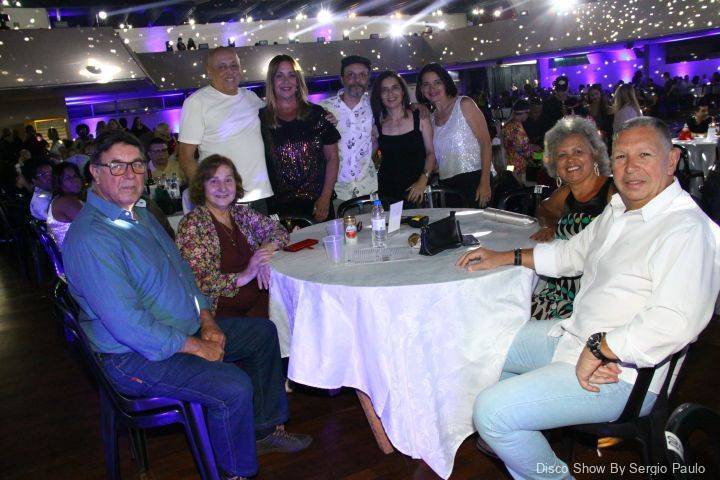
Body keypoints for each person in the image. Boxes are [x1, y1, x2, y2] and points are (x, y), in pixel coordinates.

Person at [457, 116, 720, 480]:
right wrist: (503, 257)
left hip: (624, 375)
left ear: (672, 160)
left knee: (491, 412)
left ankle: (517, 438)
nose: (630, 167)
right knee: (482, 347)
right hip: (575, 338)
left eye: (644, 154)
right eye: (622, 156)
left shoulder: (687, 229)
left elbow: (675, 322)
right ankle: (519, 436)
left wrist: (604, 349)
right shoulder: (620, 210)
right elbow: (570, 254)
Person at [63, 131, 311, 480]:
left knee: (263, 334)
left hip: (179, 329)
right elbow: (129, 326)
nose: (130, 175)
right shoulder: (92, 237)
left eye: (136, 165)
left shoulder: (140, 215)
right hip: (132, 356)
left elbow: (183, 274)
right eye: (117, 166)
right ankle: (235, 473)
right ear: (95, 172)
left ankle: (264, 431)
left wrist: (207, 319)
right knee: (233, 385)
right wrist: (197, 346)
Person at [177, 155, 289, 318]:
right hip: (224, 314)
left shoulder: (241, 213)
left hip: (262, 300)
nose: (223, 188)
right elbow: (198, 281)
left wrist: (264, 252)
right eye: (214, 181)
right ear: (201, 186)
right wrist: (245, 275)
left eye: (228, 180)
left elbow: (279, 230)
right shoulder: (192, 224)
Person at [529, 116, 615, 320]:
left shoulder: (612, 192)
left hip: (591, 298)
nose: (570, 160)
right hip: (559, 290)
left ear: (594, 154)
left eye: (578, 152)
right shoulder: (564, 194)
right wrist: (549, 225)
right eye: (562, 155)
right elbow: (544, 209)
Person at [179, 47, 273, 212]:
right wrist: (206, 197)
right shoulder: (197, 102)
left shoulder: (251, 98)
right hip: (223, 201)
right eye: (222, 67)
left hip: (259, 197)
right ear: (209, 72)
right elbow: (186, 157)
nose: (229, 71)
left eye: (233, 65)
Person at [259, 55, 340, 221]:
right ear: (272, 81)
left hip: (318, 205)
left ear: (298, 80)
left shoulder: (317, 114)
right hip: (279, 209)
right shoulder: (261, 119)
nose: (286, 81)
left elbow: (332, 157)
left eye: (291, 75)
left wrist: (325, 197)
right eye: (279, 75)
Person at [417, 63, 493, 207]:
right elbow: (436, 158)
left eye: (437, 82)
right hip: (447, 184)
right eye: (426, 84)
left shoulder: (464, 104)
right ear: (421, 89)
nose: (432, 89)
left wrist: (485, 182)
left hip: (475, 178)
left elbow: (486, 143)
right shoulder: (430, 119)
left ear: (446, 83)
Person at [370, 70, 435, 206]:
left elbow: (431, 153)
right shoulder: (377, 126)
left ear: (403, 91)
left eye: (395, 87)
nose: (390, 93)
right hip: (387, 193)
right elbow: (366, 159)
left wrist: (423, 180)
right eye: (384, 90)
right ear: (379, 95)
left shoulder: (420, 118)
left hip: (418, 191)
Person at [319, 55, 378, 202]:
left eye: (362, 75)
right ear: (342, 79)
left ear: (368, 79)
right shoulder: (324, 108)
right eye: (350, 75)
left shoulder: (375, 106)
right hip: (336, 193)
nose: (356, 80)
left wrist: (417, 106)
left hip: (368, 190)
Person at [47, 162, 84, 247]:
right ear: (59, 183)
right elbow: (92, 224)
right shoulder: (65, 201)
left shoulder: (61, 199)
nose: (74, 180)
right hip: (76, 251)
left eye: (75, 176)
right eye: (68, 178)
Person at [502, 100, 539, 183]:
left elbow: (514, 145)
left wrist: (531, 146)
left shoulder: (508, 124)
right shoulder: (517, 128)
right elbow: (524, 150)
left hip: (510, 164)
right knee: (519, 187)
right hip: (518, 167)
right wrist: (539, 154)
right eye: (527, 113)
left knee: (512, 185)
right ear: (524, 113)